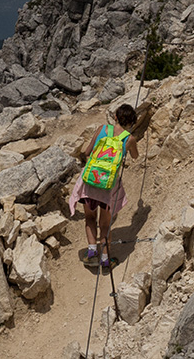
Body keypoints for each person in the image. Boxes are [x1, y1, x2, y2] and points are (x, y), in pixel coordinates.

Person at [68, 103, 140, 268]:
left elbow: (87, 152)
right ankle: (106, 260)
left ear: (115, 116)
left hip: (90, 182)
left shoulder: (102, 129)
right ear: (131, 122)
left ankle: (92, 252)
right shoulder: (129, 139)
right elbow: (135, 157)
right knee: (106, 225)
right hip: (108, 187)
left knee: (90, 218)